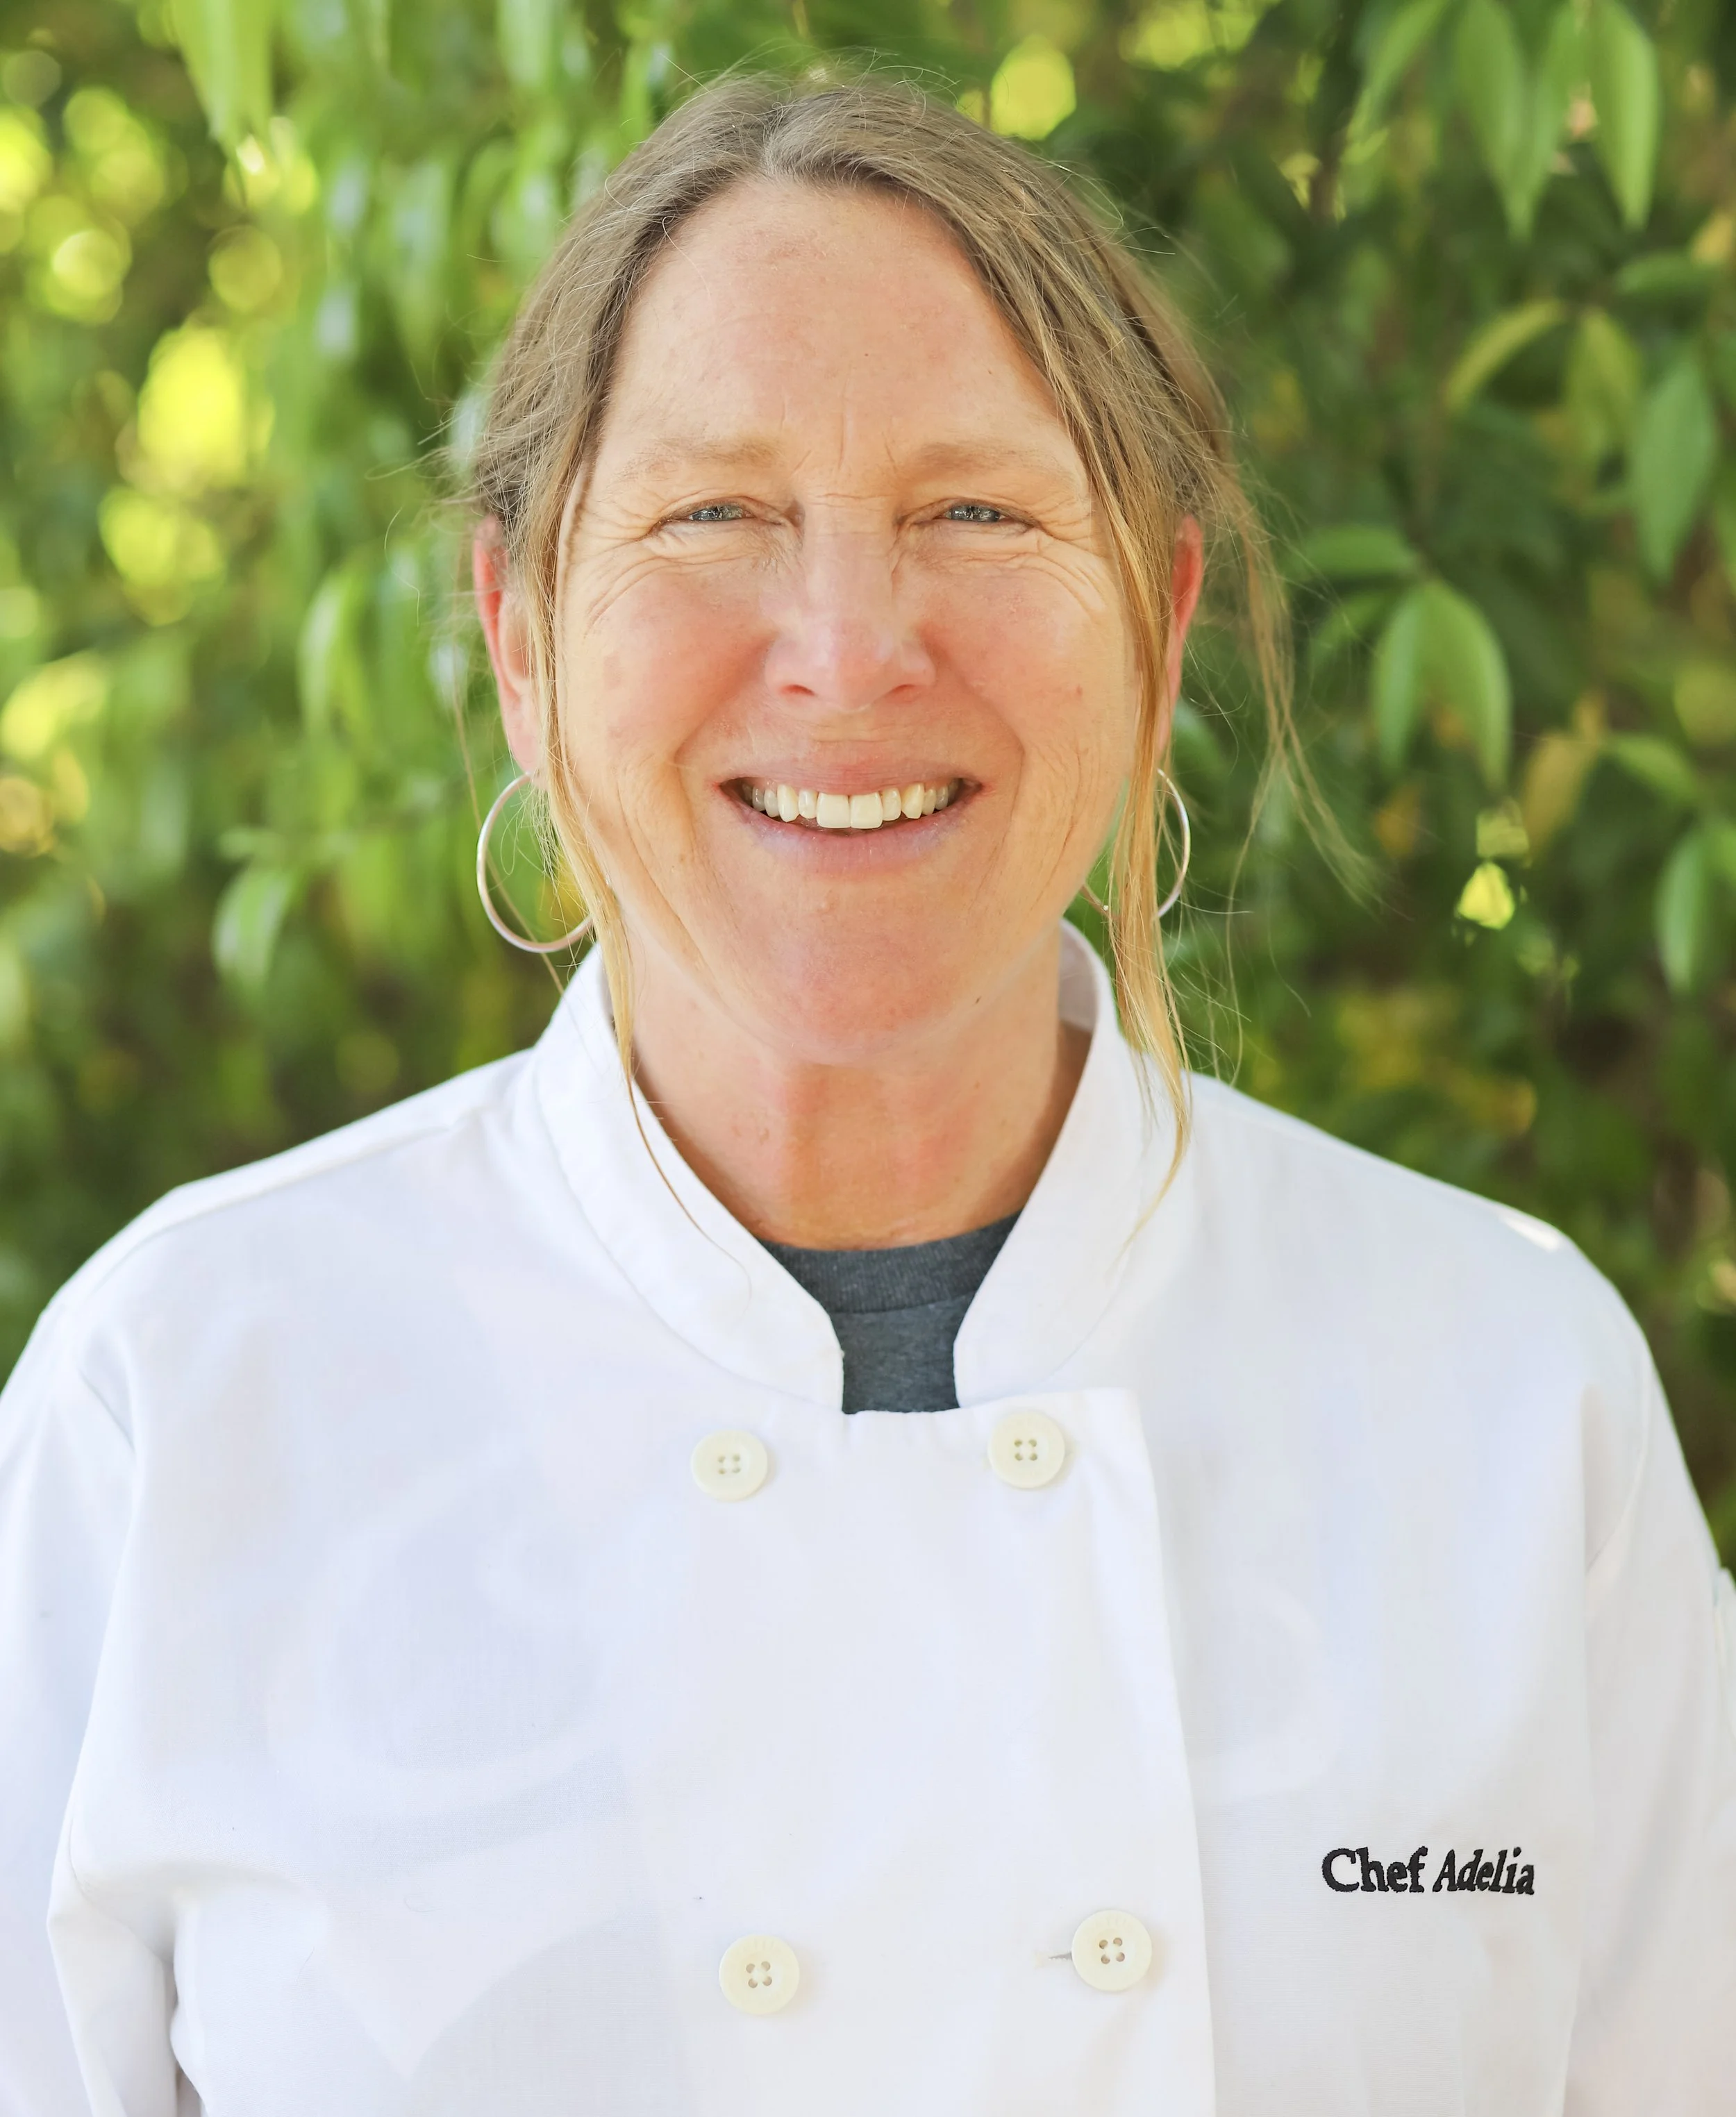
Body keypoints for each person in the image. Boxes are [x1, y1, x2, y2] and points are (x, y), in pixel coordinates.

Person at [1, 72, 1732, 2117]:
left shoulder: (1505, 1389)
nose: (843, 651)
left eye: (974, 514)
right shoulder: (185, 1397)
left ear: (1154, 638)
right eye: (710, 516)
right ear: (520, 636)